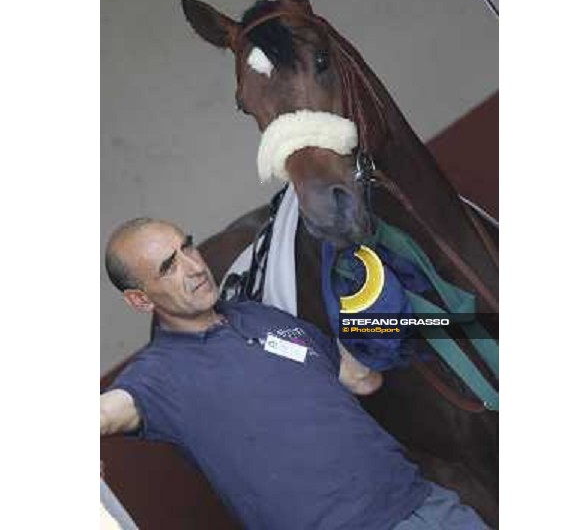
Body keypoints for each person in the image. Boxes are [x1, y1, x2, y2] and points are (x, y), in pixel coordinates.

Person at [101, 217, 488, 529]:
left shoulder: (259, 316)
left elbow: (359, 378)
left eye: (186, 247)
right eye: (168, 267)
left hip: (427, 507)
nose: (195, 267)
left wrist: (378, 313)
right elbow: (103, 413)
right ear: (140, 299)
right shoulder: (157, 377)